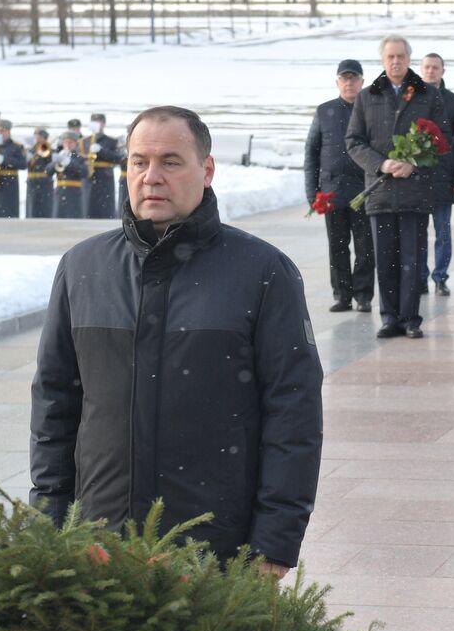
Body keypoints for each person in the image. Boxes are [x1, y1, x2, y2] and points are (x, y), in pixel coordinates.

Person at [30, 105, 322, 576]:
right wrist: (50, 523)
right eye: (139, 162)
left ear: (206, 170)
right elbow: (55, 405)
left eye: (170, 162)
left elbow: (294, 412)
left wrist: (274, 544)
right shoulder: (83, 268)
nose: (151, 177)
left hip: (215, 550)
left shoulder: (262, 271)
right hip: (97, 546)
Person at [346, 34, 447, 339]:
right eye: (390, 57)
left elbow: (443, 141)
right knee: (385, 259)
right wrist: (382, 164)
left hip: (415, 191)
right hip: (380, 191)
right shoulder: (367, 96)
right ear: (382, 60)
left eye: (401, 56)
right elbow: (353, 141)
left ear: (409, 59)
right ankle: (389, 317)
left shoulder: (427, 95)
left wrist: (415, 163)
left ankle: (411, 318)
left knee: (412, 261)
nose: (396, 62)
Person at [305, 58, 375, 314]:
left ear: (362, 82)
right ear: (337, 82)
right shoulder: (325, 111)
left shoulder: (371, 109)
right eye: (345, 78)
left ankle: (363, 295)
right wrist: (312, 192)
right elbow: (311, 152)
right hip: (332, 191)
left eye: (354, 78)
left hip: (365, 190)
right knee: (337, 246)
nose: (349, 83)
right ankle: (342, 295)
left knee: (366, 247)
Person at [420, 52, 454, 296]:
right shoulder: (411, 100)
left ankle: (440, 277)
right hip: (415, 177)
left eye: (435, 67)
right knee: (417, 232)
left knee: (443, 232)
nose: (431, 71)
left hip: (444, 176)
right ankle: (420, 276)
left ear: (442, 71)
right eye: (427, 67)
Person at [83, 112, 123, 218]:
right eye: (94, 122)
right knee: (89, 205)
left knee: (105, 205)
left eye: (99, 122)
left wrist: (101, 151)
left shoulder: (111, 141)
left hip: (105, 176)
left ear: (104, 124)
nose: (96, 124)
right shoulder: (84, 141)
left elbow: (117, 158)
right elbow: (79, 156)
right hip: (90, 176)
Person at [0, 118, 27, 218]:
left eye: (2, 131)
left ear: (8, 132)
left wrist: (5, 160)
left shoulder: (16, 146)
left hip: (9, 182)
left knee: (8, 210)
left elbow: (23, 164)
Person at [52, 131, 89, 217]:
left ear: (75, 144)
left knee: (74, 218)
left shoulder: (80, 158)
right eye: (65, 142)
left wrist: (70, 162)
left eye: (70, 142)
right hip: (60, 192)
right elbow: (47, 172)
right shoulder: (60, 155)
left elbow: (84, 173)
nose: (68, 144)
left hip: (74, 193)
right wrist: (54, 162)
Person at [26, 128, 56, 218]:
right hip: (32, 183)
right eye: (36, 137)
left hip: (45, 183)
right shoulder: (31, 150)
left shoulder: (50, 150)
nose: (37, 140)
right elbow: (26, 165)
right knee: (31, 210)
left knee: (45, 209)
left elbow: (51, 165)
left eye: (40, 137)